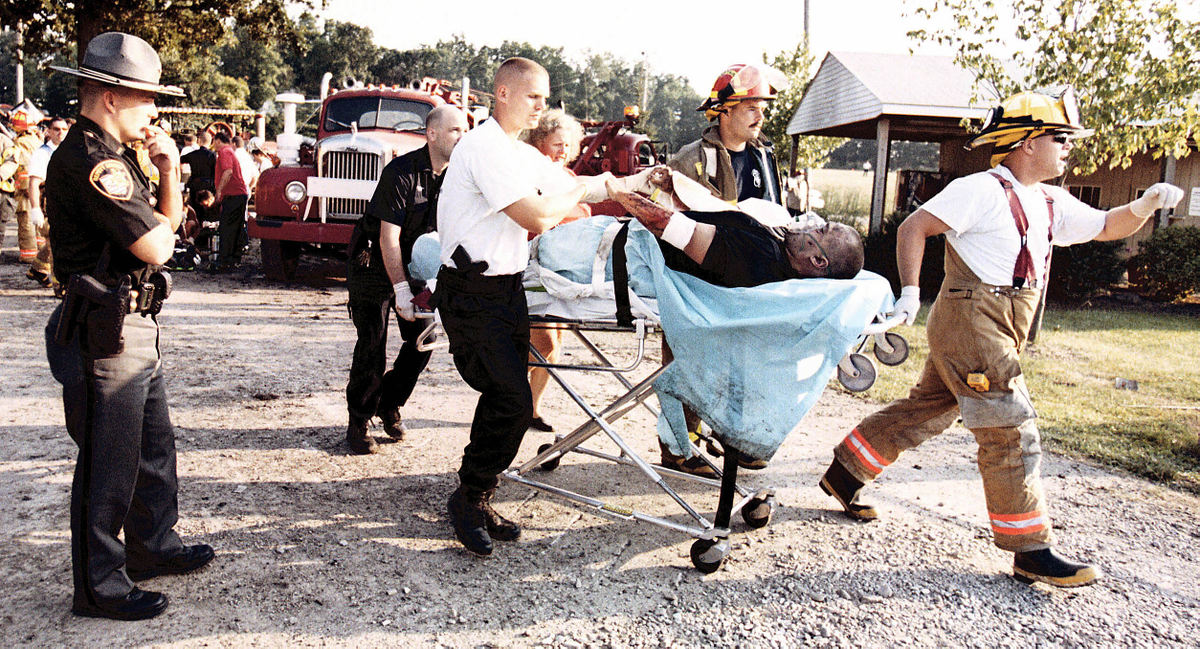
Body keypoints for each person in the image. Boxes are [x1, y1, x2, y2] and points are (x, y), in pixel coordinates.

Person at [817, 89, 1185, 588]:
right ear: (1027, 143)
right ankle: (1030, 548)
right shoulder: (982, 190)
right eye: (1060, 138)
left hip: (1000, 322)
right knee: (1010, 427)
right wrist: (908, 293)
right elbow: (914, 228)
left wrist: (1144, 204)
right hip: (974, 319)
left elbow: (1104, 225)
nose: (1067, 148)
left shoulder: (1049, 200)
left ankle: (845, 472)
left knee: (931, 406)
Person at [44, 31, 215, 621]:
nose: (156, 112)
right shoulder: (94, 163)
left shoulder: (118, 158)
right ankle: (101, 584)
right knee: (109, 461)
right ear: (112, 97)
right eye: (147, 99)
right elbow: (157, 244)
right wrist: (166, 223)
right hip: (106, 328)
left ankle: (151, 545)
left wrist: (170, 170)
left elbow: (168, 233)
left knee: (152, 446)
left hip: (134, 321)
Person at [436, 57, 596, 556]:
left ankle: (478, 492)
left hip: (505, 289)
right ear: (502, 93)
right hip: (471, 290)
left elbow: (559, 180)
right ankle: (468, 497)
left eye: (545, 99)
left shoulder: (512, 150)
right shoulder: (484, 147)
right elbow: (537, 214)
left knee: (514, 400)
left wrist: (618, 185)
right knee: (508, 397)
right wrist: (586, 191)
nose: (542, 107)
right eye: (534, 97)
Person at [659, 63, 788, 473]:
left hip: (748, 280)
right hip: (695, 280)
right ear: (724, 111)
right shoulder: (690, 160)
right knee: (686, 362)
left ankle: (735, 439)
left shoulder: (765, 156)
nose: (760, 115)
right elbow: (667, 223)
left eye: (762, 106)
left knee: (746, 363)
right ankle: (679, 447)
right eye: (751, 106)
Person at [345, 105, 469, 454]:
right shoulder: (401, 172)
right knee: (372, 342)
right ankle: (359, 419)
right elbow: (388, 238)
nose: (463, 138)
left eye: (466, 131)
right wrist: (400, 289)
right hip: (372, 264)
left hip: (417, 264)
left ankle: (389, 402)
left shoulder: (458, 177)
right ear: (432, 134)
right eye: (455, 131)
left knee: (421, 341)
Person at [607, 173, 864, 286]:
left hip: (616, 253)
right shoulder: (773, 250)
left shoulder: (760, 257)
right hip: (623, 245)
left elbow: (672, 228)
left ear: (818, 260)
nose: (813, 225)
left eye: (821, 231)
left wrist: (620, 194)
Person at [520, 108, 592, 433]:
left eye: (567, 145)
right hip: (535, 273)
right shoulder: (532, 179)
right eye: (555, 144)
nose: (562, 151)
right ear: (539, 142)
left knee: (555, 344)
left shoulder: (571, 180)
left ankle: (532, 408)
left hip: (566, 278)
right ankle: (515, 404)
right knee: (542, 344)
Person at [27, 116, 71, 287]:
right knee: (57, 242)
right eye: (56, 129)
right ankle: (60, 285)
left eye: (64, 129)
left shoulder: (70, 151)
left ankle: (38, 268)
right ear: (49, 132)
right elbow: (34, 182)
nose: (61, 133)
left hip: (67, 204)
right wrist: (35, 208)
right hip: (49, 204)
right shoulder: (42, 154)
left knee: (55, 240)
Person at [212, 130, 248, 270]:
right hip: (239, 194)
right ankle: (233, 258)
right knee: (236, 227)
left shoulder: (224, 152)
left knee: (227, 228)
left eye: (214, 142)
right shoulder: (231, 151)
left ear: (218, 140)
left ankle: (224, 260)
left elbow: (228, 171)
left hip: (233, 195)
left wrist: (219, 190)